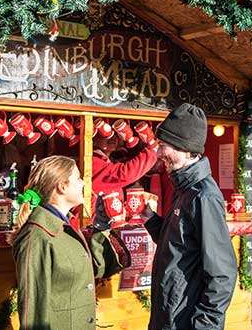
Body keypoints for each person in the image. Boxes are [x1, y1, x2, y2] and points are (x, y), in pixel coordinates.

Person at [142, 103, 237, 330]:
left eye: (164, 145)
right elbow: (179, 244)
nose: (158, 153)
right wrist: (150, 219)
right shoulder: (185, 189)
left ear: (185, 149)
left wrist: (204, 326)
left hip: (185, 322)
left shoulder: (203, 197)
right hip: (169, 318)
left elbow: (222, 274)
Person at [12, 155, 130, 330]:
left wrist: (101, 227)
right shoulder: (37, 235)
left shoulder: (65, 226)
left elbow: (97, 268)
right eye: (78, 178)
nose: (83, 183)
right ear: (62, 186)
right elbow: (34, 306)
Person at [92, 132, 157, 207]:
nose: (112, 137)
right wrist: (152, 150)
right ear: (93, 139)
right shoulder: (93, 161)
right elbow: (124, 174)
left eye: (115, 134)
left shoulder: (108, 161)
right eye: (105, 134)